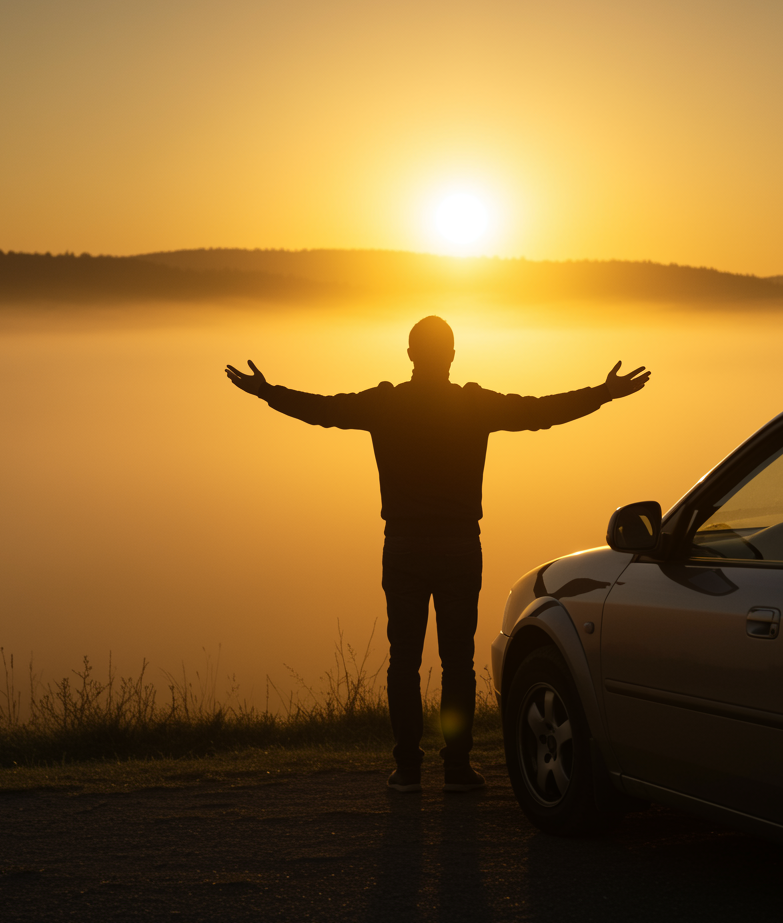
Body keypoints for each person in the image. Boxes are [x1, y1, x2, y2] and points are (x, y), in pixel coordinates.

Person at [225, 316, 650, 793]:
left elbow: (322, 409)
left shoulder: (386, 404)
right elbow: (540, 412)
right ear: (451, 355)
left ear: (410, 355)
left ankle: (407, 769)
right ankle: (455, 768)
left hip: (404, 546)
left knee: (403, 661)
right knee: (458, 662)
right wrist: (602, 393)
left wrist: (268, 392)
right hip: (459, 547)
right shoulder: (472, 404)